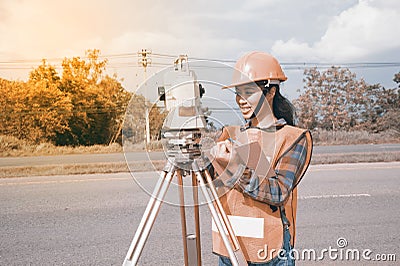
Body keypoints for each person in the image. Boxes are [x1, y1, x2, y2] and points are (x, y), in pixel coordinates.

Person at [209, 51, 313, 265]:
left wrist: (234, 167)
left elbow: (278, 192)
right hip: (230, 247)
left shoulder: (292, 138)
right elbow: (208, 184)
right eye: (238, 93)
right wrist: (195, 161)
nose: (241, 100)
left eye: (249, 92)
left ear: (271, 92)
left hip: (270, 250)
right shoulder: (230, 134)